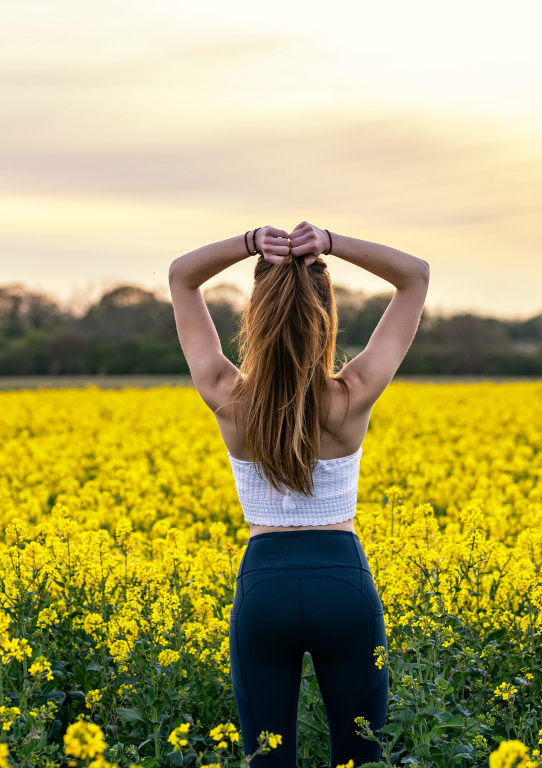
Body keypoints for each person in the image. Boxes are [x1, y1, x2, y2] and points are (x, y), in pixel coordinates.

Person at [168, 221, 429, 767]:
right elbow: (414, 277)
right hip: (344, 586)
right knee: (361, 758)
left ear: (254, 317)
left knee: (268, 761)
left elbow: (181, 278)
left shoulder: (226, 396)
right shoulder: (352, 396)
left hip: (265, 590)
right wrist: (329, 243)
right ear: (327, 316)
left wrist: (248, 243)